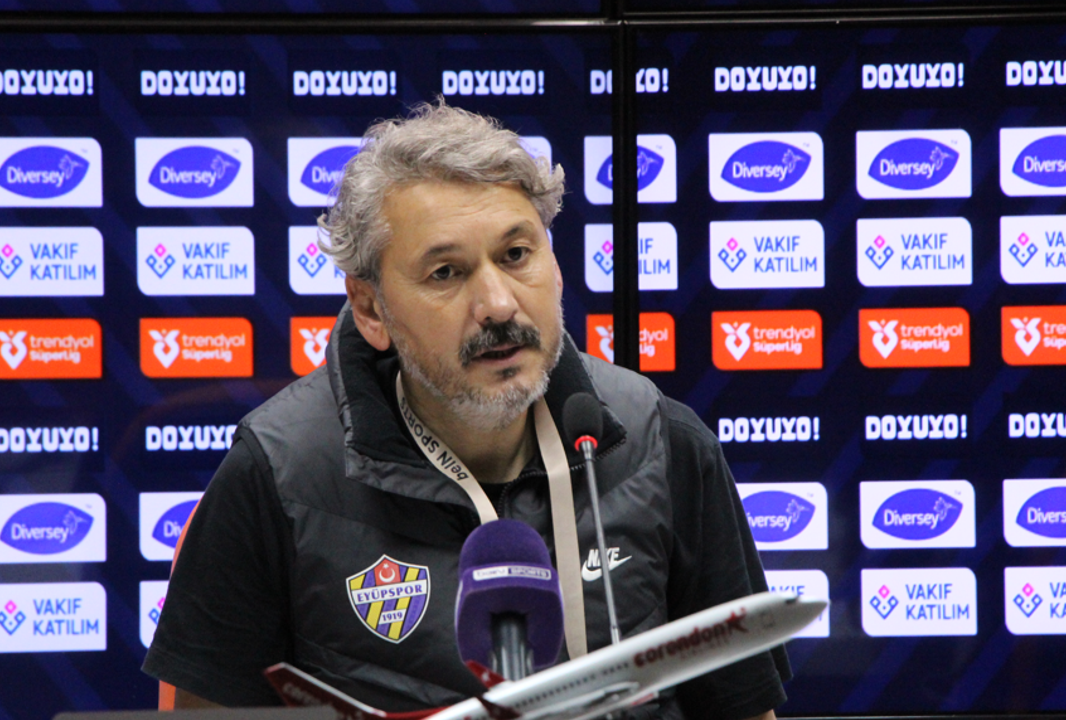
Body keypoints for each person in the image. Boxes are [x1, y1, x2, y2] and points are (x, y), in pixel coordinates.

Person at [142, 101, 792, 719]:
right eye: (446, 273)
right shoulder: (278, 474)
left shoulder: (661, 442)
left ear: (555, 265)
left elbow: (743, 708)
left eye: (516, 255)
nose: (499, 304)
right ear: (370, 308)